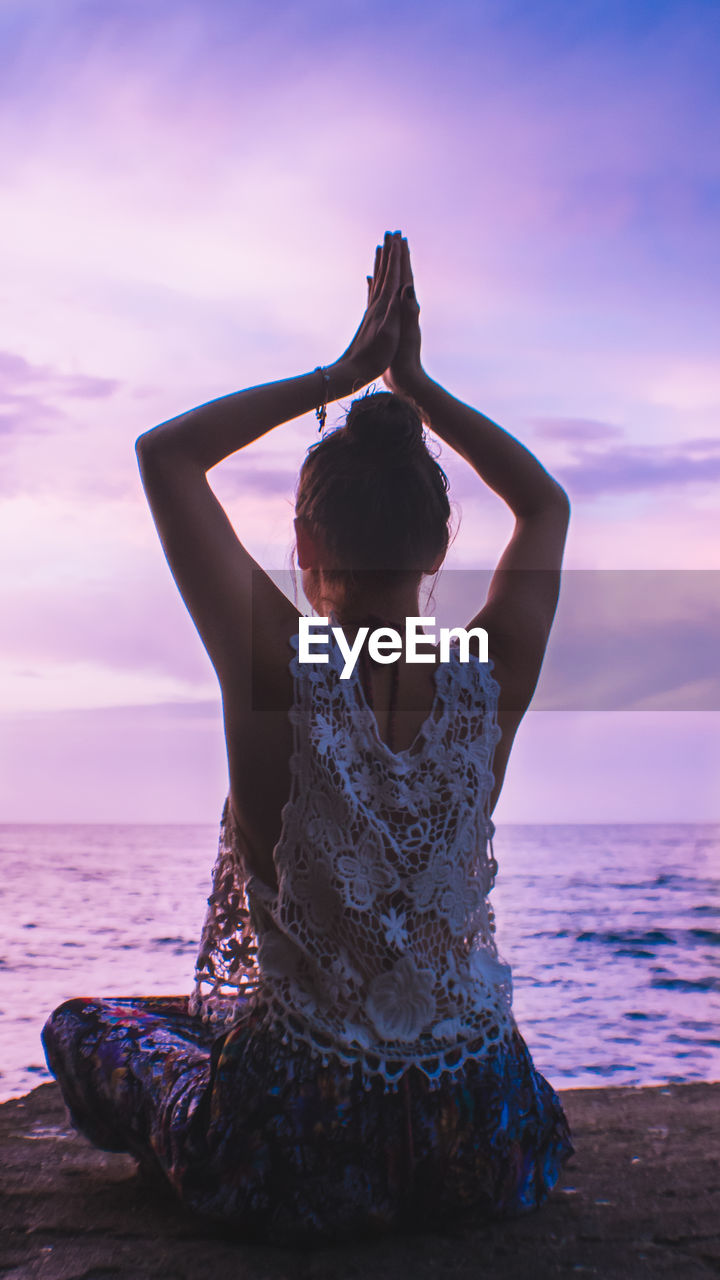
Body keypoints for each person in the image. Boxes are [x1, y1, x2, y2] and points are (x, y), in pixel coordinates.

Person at [42, 231, 574, 1243]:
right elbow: (546, 502)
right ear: (439, 544)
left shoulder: (277, 660)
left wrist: (343, 372)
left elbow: (168, 454)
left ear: (306, 543)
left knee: (92, 1026)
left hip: (302, 1144)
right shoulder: (490, 669)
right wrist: (419, 386)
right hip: (486, 1131)